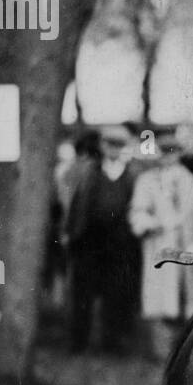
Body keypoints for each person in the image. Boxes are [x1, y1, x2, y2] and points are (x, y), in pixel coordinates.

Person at [129, 128, 193, 357]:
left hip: (185, 247)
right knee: (162, 300)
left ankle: (184, 353)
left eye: (173, 153)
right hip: (161, 245)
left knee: (186, 300)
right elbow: (137, 214)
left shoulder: (189, 180)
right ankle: (161, 353)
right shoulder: (147, 181)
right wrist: (155, 223)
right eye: (164, 152)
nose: (168, 157)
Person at [65, 126, 140, 353]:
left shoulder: (131, 174)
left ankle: (113, 343)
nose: (113, 150)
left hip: (120, 243)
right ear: (102, 147)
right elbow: (77, 205)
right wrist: (72, 233)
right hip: (90, 241)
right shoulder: (90, 172)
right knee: (83, 294)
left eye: (118, 146)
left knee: (116, 294)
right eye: (109, 145)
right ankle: (79, 342)